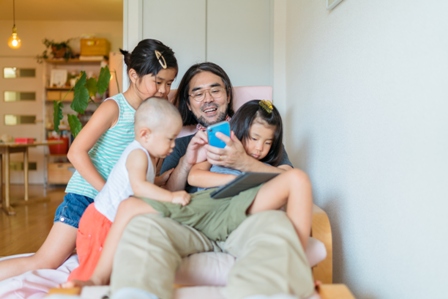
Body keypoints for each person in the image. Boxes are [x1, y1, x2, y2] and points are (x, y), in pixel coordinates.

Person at [108, 62, 317, 299]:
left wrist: (244, 163)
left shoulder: (255, 136)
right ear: (188, 103)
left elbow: (290, 178)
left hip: (248, 219)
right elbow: (167, 191)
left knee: (276, 229)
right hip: (191, 221)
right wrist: (187, 161)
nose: (207, 98)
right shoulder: (175, 143)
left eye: (215, 90)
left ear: (228, 95)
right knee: (144, 226)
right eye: (198, 93)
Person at [62, 99, 313, 290]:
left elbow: (290, 178)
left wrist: (247, 166)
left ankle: (296, 269)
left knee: (298, 180)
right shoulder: (213, 144)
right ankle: (96, 277)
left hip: (242, 212)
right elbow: (195, 176)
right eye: (255, 138)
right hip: (203, 205)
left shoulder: (271, 160)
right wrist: (234, 176)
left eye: (267, 143)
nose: (260, 147)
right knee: (129, 208)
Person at [0, 38, 178, 281]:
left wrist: (159, 179)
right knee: (45, 261)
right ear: (133, 75)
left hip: (110, 206)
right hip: (86, 197)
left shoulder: (153, 116)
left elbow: (129, 171)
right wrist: (108, 192)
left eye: (169, 83)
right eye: (158, 82)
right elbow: (75, 152)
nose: (164, 90)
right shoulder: (115, 108)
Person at [66, 97, 188, 283]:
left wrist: (160, 179)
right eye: (170, 139)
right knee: (92, 273)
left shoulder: (144, 154)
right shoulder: (138, 154)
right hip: (102, 222)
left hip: (112, 221)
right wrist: (171, 197)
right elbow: (139, 187)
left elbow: (133, 182)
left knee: (112, 270)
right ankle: (71, 291)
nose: (173, 145)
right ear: (145, 134)